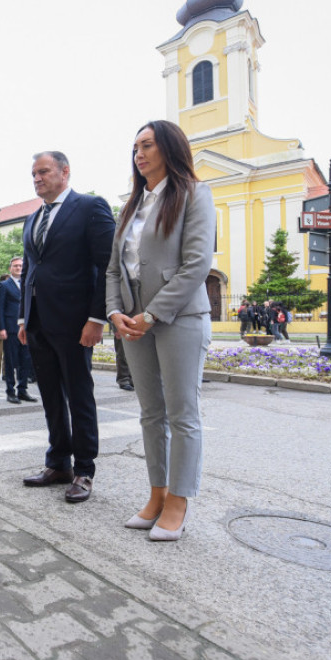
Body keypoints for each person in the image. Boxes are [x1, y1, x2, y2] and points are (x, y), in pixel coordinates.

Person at [107, 120, 215, 542]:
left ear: (170, 148)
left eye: (147, 145)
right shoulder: (131, 205)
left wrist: (150, 314)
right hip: (133, 322)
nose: (139, 153)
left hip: (179, 318)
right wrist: (115, 312)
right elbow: (114, 268)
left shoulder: (193, 194)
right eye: (135, 146)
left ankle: (178, 501)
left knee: (182, 413)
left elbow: (196, 265)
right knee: (150, 413)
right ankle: (156, 493)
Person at [20, 151, 115, 504]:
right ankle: (57, 461)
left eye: (43, 172)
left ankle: (84, 469)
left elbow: (109, 265)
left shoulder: (90, 207)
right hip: (39, 322)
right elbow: (31, 270)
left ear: (65, 171)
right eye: (33, 174)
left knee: (79, 396)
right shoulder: (33, 219)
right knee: (50, 396)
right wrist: (22, 318)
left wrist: (97, 318)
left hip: (77, 323)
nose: (37, 179)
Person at [0, 257, 36, 404]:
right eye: (16, 266)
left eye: (21, 266)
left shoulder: (28, 284)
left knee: (26, 360)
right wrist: (1, 328)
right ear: (10, 268)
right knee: (11, 361)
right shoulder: (4, 285)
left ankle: (23, 390)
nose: (18, 268)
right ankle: (10, 391)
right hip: (11, 328)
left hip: (27, 328)